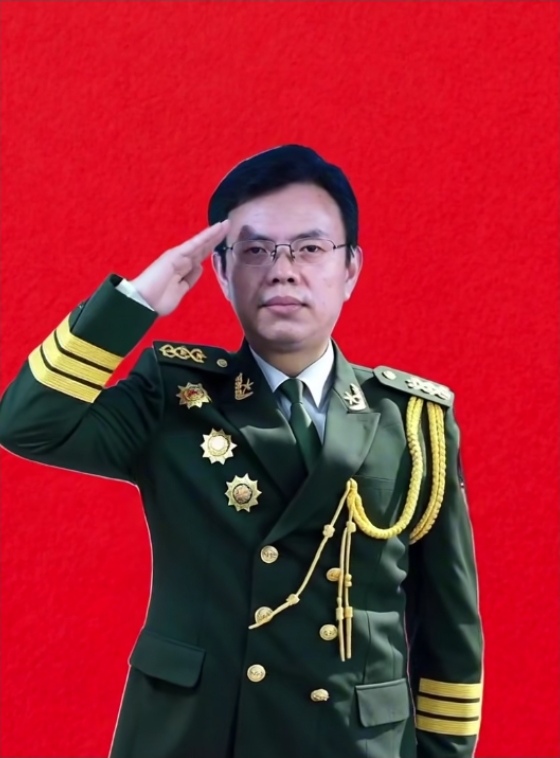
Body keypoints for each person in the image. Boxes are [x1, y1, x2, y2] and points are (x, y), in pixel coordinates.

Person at [0, 145, 483, 758]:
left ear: (351, 268)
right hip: (195, 735)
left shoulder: (412, 420)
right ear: (222, 272)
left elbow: (449, 625)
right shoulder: (175, 396)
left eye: (310, 248)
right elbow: (28, 424)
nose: (283, 271)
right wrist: (135, 302)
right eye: (255, 251)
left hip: (353, 742)